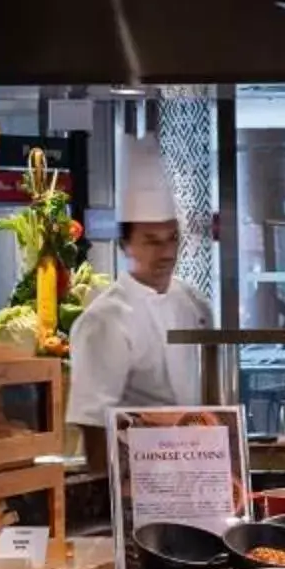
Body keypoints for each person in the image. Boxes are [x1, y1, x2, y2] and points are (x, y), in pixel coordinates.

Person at [65, 138, 217, 450]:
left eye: (171, 238)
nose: (165, 252)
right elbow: (93, 423)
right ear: (126, 245)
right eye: (151, 240)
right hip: (134, 471)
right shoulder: (104, 320)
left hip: (197, 465)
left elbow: (211, 402)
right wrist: (113, 491)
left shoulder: (194, 303)